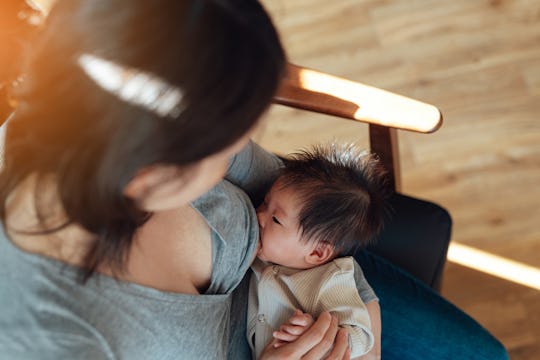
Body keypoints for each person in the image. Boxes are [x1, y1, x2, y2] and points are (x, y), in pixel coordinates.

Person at [0, 0, 509, 359]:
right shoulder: (54, 335)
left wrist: (362, 315)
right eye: (224, 152)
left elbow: (276, 184)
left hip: (309, 270)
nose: (234, 162)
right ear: (150, 170)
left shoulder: (100, 111)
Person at [248, 144, 390, 359]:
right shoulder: (270, 251)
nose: (259, 216)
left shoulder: (329, 280)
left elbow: (361, 335)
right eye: (265, 203)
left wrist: (319, 332)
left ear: (317, 253)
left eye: (275, 219)